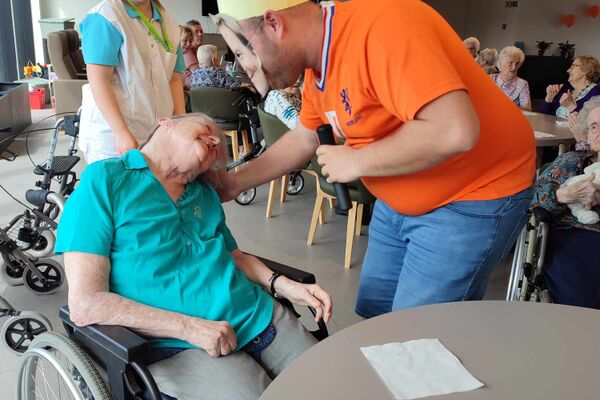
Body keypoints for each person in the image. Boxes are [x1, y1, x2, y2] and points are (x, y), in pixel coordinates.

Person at [212, 0, 535, 318]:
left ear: (274, 23)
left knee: (416, 336)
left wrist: (356, 160)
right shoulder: (315, 70)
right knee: (376, 313)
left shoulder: (383, 24)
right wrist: (234, 183)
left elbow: (453, 130)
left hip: (473, 193)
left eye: (242, 54)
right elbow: (305, 137)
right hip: (398, 198)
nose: (248, 71)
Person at [55, 113, 333, 399]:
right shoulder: (106, 181)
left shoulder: (202, 192)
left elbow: (234, 255)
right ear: (167, 122)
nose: (215, 140)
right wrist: (190, 328)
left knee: (333, 382)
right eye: (206, 129)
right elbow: (86, 303)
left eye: (219, 145)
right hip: (177, 343)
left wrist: (284, 284)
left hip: (257, 315)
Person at [78, 0, 186, 164]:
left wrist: (181, 125)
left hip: (156, 134)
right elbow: (99, 79)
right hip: (112, 136)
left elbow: (174, 80)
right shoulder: (106, 16)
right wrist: (121, 132)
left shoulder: (169, 22)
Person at [531, 96, 600, 309]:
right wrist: (565, 195)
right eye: (594, 127)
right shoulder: (571, 161)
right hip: (577, 233)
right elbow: (535, 201)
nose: (599, 132)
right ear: (587, 134)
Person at [490, 46, 531, 111]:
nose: (514, 67)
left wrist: (507, 108)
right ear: (501, 63)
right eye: (510, 63)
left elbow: (527, 109)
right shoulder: (489, 79)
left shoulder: (522, 84)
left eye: (517, 63)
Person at [180, 25, 197, 90]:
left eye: (190, 41)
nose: (188, 44)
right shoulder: (188, 53)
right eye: (185, 40)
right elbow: (197, 73)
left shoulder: (184, 53)